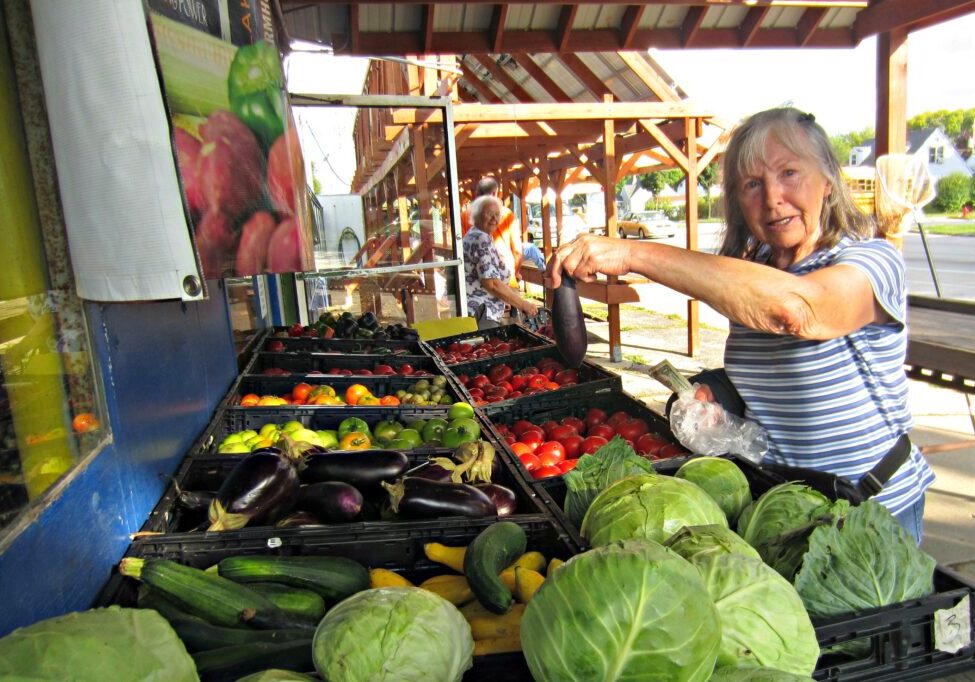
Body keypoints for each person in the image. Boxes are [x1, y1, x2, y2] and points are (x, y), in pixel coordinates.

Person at [546, 107, 934, 544]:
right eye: (752, 184)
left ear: (828, 180)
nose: (772, 197)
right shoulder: (756, 274)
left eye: (789, 173)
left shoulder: (870, 259)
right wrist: (720, 396)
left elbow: (801, 312)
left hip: (872, 513)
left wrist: (635, 255)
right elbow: (775, 375)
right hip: (780, 509)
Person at [464, 195, 538, 329]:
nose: (494, 219)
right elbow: (492, 284)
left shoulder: (477, 234)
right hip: (481, 312)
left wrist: (507, 297)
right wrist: (523, 304)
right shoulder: (481, 240)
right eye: (489, 214)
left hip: (481, 309)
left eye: (497, 214)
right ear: (477, 216)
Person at [461, 177, 522, 286]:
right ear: (495, 193)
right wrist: (515, 271)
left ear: (477, 194)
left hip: (477, 277)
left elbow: (462, 249)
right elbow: (517, 250)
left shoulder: (465, 216)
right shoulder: (507, 214)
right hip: (505, 273)